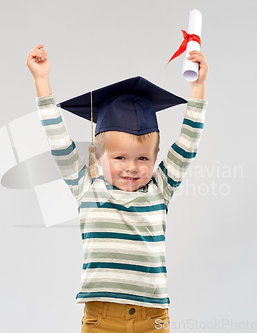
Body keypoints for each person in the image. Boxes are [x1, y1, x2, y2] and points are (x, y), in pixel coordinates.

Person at [26, 44, 209, 332]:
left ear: (156, 155)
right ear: (98, 154)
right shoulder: (86, 187)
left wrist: (198, 87)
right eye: (120, 157)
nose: (132, 167)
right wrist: (41, 81)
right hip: (101, 319)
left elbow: (187, 145)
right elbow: (59, 144)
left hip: (153, 319)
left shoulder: (160, 189)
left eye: (143, 158)